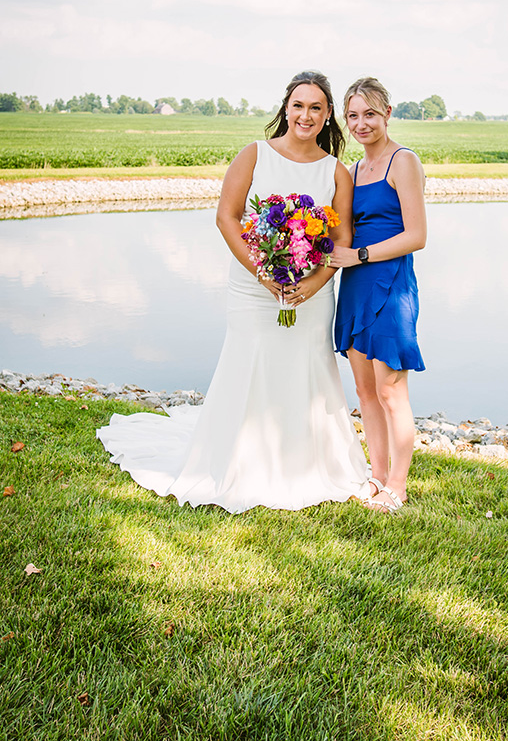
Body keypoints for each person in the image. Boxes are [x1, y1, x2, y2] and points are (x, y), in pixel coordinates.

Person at [97, 70, 369, 513]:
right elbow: (228, 218)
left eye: (315, 107)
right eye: (298, 105)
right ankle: (240, 460)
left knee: (307, 365)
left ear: (327, 115)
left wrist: (312, 284)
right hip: (252, 286)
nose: (305, 115)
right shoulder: (255, 155)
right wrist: (265, 274)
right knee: (251, 361)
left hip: (311, 292)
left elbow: (341, 243)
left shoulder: (336, 172)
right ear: (286, 108)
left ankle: (305, 463)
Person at [331, 77, 427, 514]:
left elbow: (417, 235)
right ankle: (377, 476)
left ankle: (399, 487)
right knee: (365, 391)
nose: (361, 123)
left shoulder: (403, 161)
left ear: (388, 113)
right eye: (353, 115)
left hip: (390, 284)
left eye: (370, 113)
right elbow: (342, 234)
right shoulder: (352, 171)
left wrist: (360, 255)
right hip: (355, 285)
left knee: (392, 391)